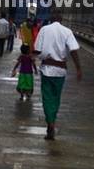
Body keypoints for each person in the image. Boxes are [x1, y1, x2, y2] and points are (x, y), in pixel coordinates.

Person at [32, 11, 82, 140]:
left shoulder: (44, 29)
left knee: (47, 98)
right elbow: (74, 50)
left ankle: (50, 123)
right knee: (56, 97)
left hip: (47, 69)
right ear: (62, 19)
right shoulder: (67, 31)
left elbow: (37, 49)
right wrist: (78, 68)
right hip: (60, 71)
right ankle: (52, 121)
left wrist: (31, 58)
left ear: (50, 19)